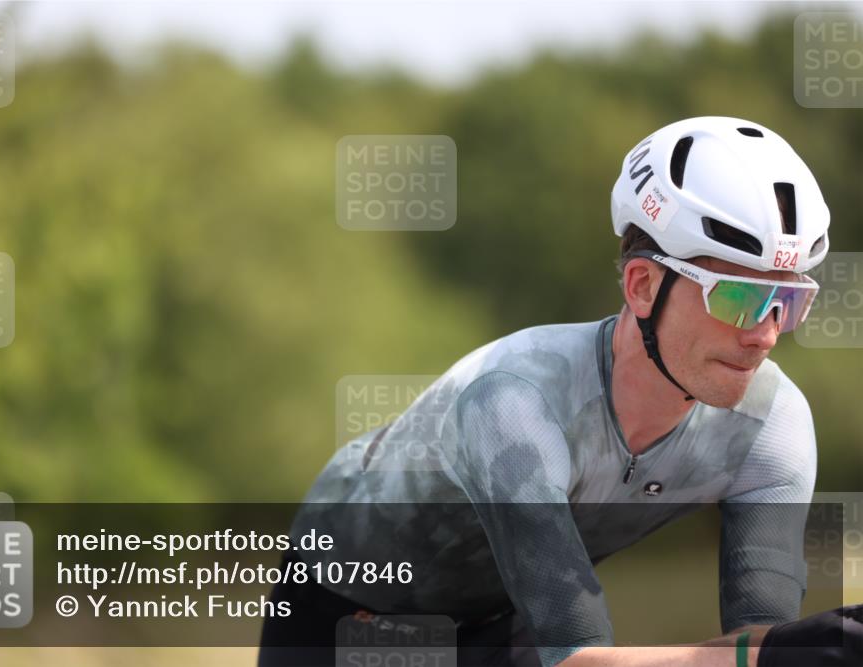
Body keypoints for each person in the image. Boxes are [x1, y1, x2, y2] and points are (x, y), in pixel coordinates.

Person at [258, 116, 862, 666]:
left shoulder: (773, 423)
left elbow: (756, 644)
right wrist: (782, 652)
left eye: (788, 301)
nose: (765, 335)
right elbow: (581, 659)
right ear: (642, 286)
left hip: (501, 616)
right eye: (738, 297)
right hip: (345, 612)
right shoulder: (514, 398)